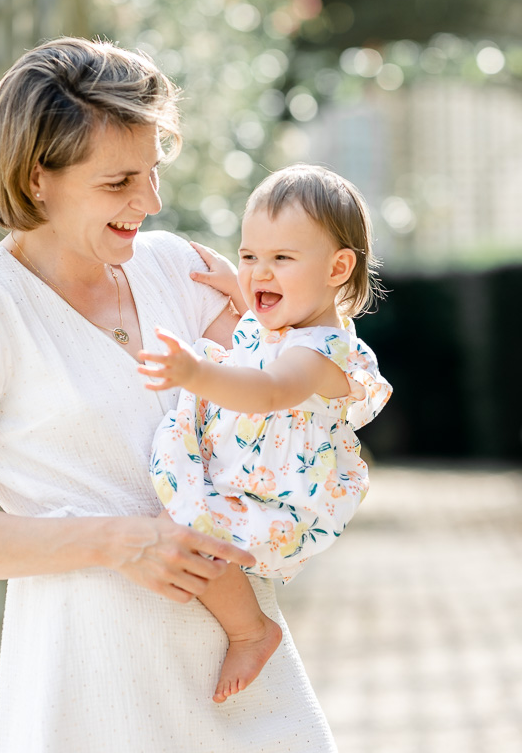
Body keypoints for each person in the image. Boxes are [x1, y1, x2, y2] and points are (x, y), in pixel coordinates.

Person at [0, 38, 338, 751]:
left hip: (244, 676)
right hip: (92, 684)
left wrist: (271, 324)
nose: (150, 202)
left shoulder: (181, 270)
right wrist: (119, 540)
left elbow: (299, 405)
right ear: (39, 179)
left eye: (153, 172)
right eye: (120, 180)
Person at [137, 164, 392, 704]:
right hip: (244, 466)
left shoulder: (321, 354)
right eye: (251, 255)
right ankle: (246, 624)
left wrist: (194, 374)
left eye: (281, 259)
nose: (259, 273)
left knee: (194, 531)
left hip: (275, 492)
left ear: (337, 268)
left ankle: (251, 630)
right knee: (187, 519)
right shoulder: (286, 323)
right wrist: (237, 283)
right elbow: (255, 332)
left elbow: (269, 390)